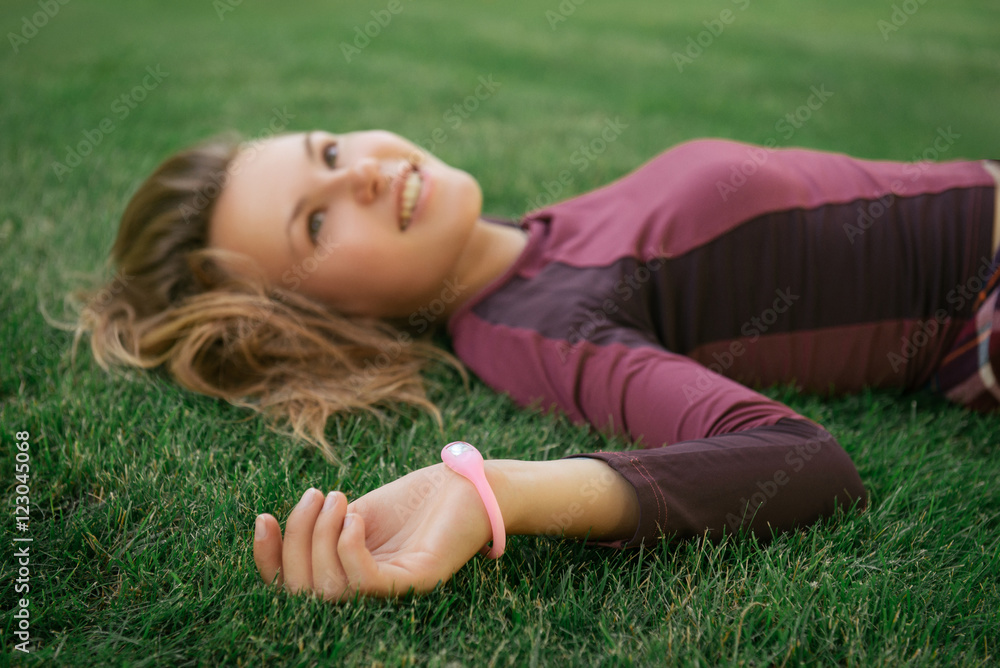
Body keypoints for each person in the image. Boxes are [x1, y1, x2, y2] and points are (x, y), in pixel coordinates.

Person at [77, 129, 1000, 601]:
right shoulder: (535, 325)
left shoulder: (532, 240)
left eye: (328, 149)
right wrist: (496, 493)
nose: (359, 172)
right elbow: (803, 461)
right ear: (328, 319)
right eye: (316, 223)